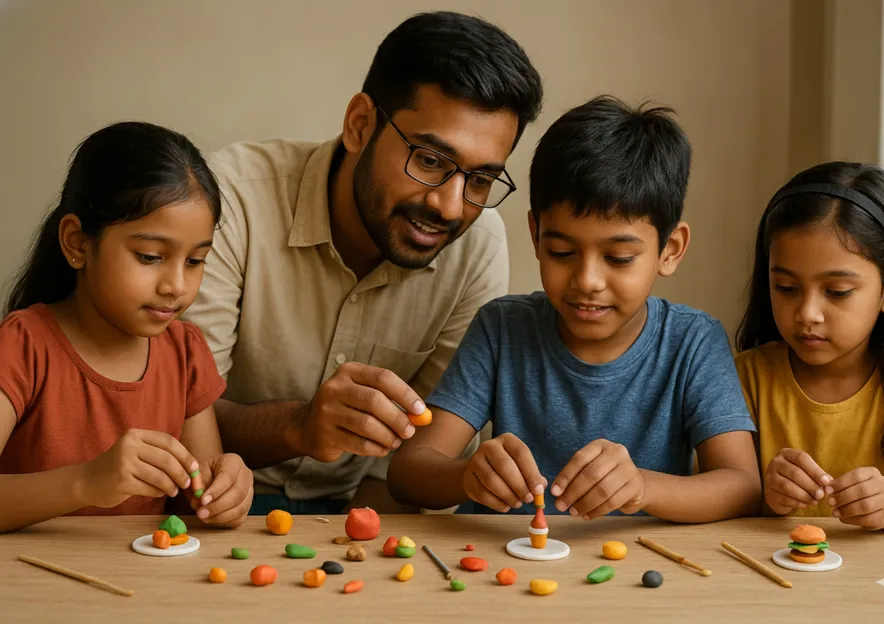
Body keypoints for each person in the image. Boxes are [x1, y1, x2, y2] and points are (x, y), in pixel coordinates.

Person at [182, 11, 543, 514]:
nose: (450, 206)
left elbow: (407, 461)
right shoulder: (230, 200)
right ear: (360, 125)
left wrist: (360, 547)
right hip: (206, 504)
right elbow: (179, 407)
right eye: (431, 161)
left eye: (480, 180)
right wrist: (299, 426)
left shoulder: (477, 245)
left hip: (359, 514)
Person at [386, 96, 762, 521]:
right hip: (503, 569)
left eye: (619, 259)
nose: (587, 281)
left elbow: (743, 486)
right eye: (562, 251)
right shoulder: (503, 327)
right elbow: (408, 472)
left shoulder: (692, 342)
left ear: (669, 250)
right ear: (535, 234)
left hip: (634, 574)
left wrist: (643, 486)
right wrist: (466, 476)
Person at [0, 121, 253, 532]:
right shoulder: (23, 347)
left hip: (143, 587)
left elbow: (200, 498)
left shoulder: (185, 351)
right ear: (78, 243)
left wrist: (227, 490)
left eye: (195, 261)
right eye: (150, 256)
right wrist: (86, 482)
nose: (176, 285)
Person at [734, 162, 884, 535]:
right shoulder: (745, 376)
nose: (807, 314)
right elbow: (723, 508)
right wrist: (768, 498)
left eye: (837, 292)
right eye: (786, 288)